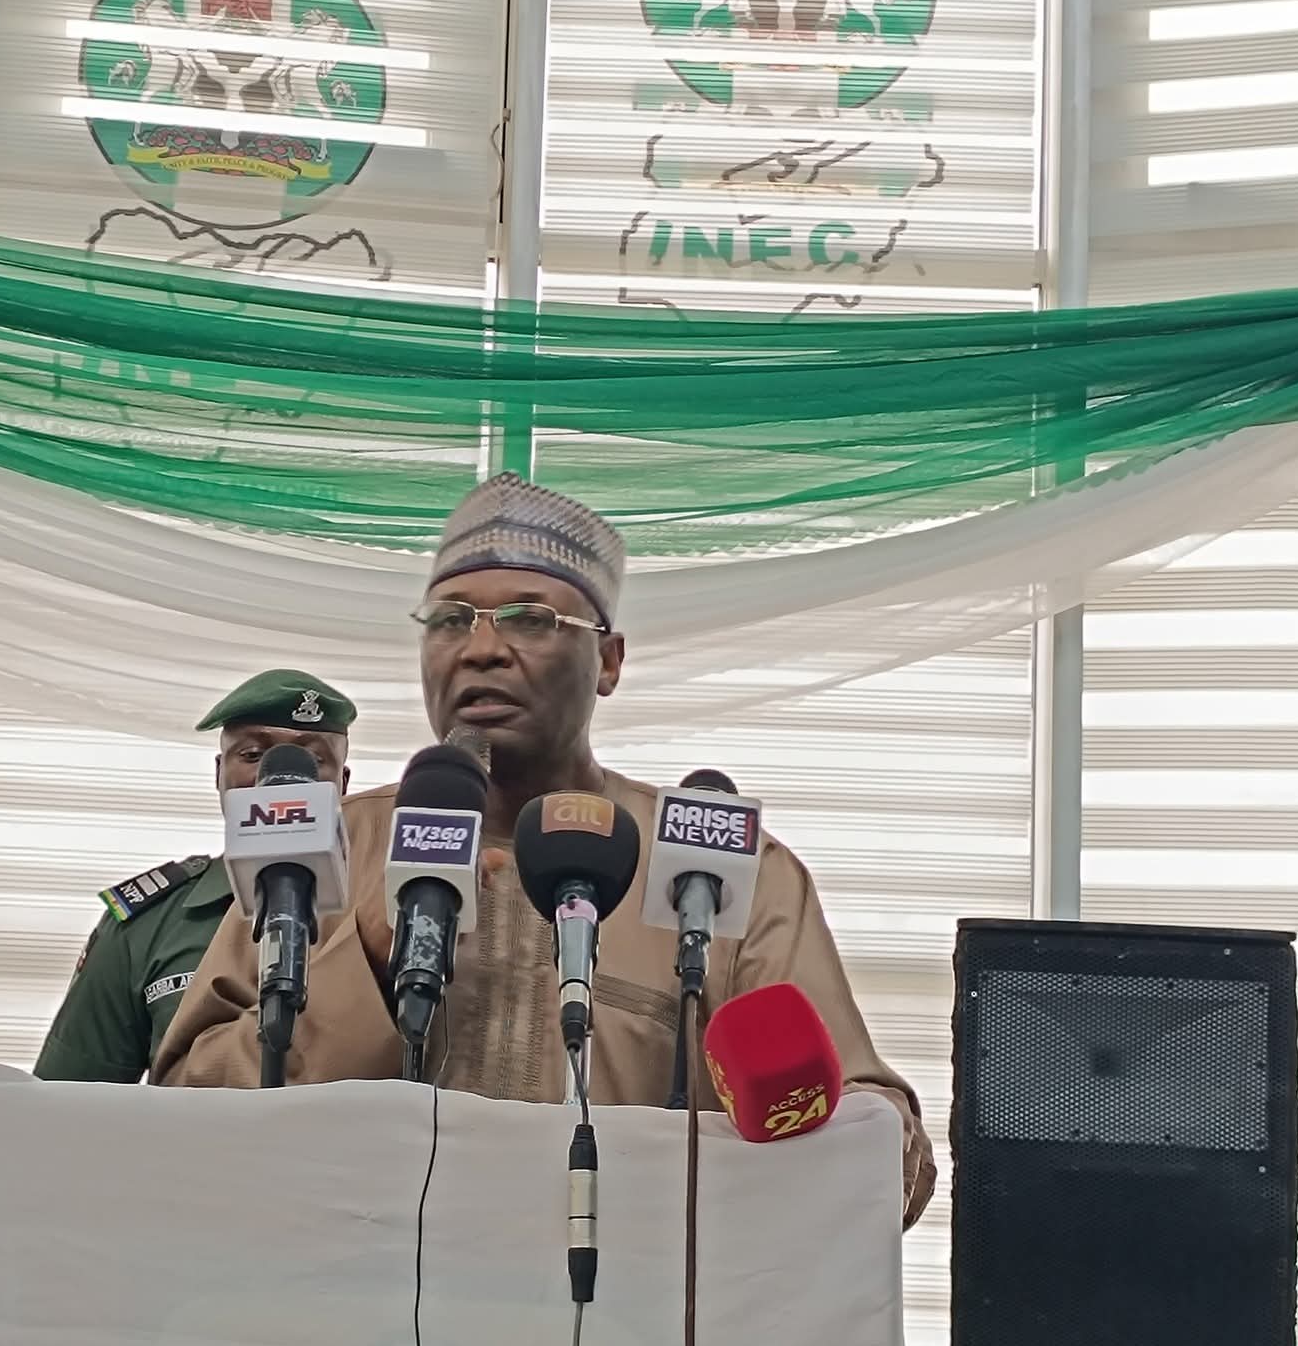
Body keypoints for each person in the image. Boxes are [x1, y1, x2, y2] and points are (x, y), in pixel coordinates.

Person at [154, 472, 935, 1226]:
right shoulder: (326, 847)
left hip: (627, 1302)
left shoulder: (727, 872)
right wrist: (359, 960)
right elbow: (183, 1118)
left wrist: (872, 1138)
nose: (481, 649)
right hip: (353, 1296)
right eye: (450, 620)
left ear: (610, 661)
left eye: (530, 619)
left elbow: (872, 1153)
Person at [34, 669, 358, 1083]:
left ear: (341, 783)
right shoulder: (150, 925)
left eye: (311, 761)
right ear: (219, 774)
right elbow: (69, 1100)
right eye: (253, 755)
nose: (279, 780)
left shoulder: (381, 913)